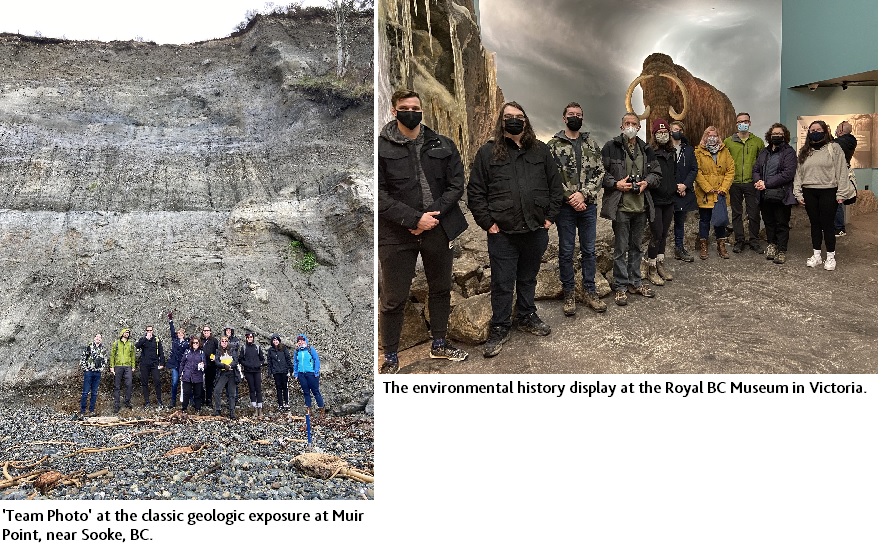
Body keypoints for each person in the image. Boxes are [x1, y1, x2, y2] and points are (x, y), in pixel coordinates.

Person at [378, 89, 469, 374]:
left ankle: (439, 343)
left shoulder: (442, 144)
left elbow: (457, 184)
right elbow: (378, 195)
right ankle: (390, 356)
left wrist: (433, 216)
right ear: (394, 111)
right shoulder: (379, 148)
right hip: (396, 233)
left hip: (438, 228)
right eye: (405, 107)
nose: (412, 112)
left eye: (415, 107)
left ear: (422, 110)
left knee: (440, 288)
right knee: (394, 298)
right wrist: (414, 219)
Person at [467, 101, 561, 357]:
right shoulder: (488, 153)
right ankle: (500, 326)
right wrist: (488, 223)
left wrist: (549, 219)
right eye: (508, 117)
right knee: (502, 281)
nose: (514, 121)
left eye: (518, 117)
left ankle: (527, 316)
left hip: (535, 229)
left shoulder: (540, 151)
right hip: (503, 233)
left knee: (528, 278)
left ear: (526, 120)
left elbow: (556, 187)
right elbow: (475, 192)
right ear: (501, 121)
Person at [547, 101, 607, 316]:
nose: (575, 117)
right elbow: (550, 176)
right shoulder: (553, 146)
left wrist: (584, 194)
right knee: (566, 250)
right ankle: (569, 292)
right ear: (564, 118)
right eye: (571, 114)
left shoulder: (591, 144)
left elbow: (599, 172)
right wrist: (571, 197)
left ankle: (590, 290)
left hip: (588, 207)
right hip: (565, 209)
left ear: (582, 118)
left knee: (589, 250)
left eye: (578, 114)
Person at [600, 112, 661, 306]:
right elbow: (601, 173)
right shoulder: (611, 147)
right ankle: (620, 286)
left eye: (634, 124)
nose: (630, 126)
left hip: (641, 207)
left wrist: (646, 182)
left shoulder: (646, 149)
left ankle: (635, 282)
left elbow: (656, 173)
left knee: (636, 247)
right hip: (621, 206)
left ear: (639, 127)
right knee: (620, 248)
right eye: (627, 123)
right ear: (621, 127)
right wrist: (616, 184)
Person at [793, 120, 851, 270]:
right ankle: (817, 255)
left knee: (828, 224)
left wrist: (842, 192)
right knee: (815, 224)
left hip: (828, 190)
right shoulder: (804, 151)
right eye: (812, 130)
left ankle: (830, 256)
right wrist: (797, 192)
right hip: (809, 191)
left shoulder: (834, 148)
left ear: (825, 131)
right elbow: (799, 173)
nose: (815, 132)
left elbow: (842, 171)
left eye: (818, 129)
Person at [753, 123, 797, 264]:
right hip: (765, 195)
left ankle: (782, 250)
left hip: (781, 195)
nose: (776, 136)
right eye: (774, 133)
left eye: (779, 133)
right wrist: (758, 181)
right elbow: (756, 169)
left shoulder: (789, 152)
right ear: (769, 136)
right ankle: (772, 244)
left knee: (782, 223)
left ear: (784, 136)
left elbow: (787, 174)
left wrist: (767, 183)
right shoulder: (764, 152)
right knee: (769, 222)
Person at [723, 112, 766, 254]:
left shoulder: (757, 141)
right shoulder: (728, 142)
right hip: (734, 183)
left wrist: (760, 179)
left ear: (750, 123)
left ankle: (754, 240)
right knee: (736, 213)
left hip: (751, 183)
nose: (743, 123)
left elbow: (762, 163)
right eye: (740, 121)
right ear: (736, 124)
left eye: (746, 121)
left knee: (754, 213)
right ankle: (739, 240)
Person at [694, 126, 735, 260]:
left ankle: (721, 245)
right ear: (705, 137)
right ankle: (704, 245)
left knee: (720, 220)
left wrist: (723, 188)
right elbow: (697, 171)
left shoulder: (725, 151)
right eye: (709, 135)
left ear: (718, 137)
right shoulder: (698, 152)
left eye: (715, 135)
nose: (712, 138)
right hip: (705, 194)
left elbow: (730, 170)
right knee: (704, 220)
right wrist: (707, 187)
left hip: (720, 194)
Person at [645, 118, 677, 285]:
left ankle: (660, 264)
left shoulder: (672, 153)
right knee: (656, 233)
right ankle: (651, 267)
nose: (663, 135)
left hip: (669, 199)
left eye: (665, 132)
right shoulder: (649, 152)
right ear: (654, 135)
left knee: (664, 233)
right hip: (655, 200)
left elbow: (674, 173)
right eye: (659, 132)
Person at [670, 121, 698, 262]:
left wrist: (685, 185)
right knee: (662, 224)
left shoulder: (688, 149)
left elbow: (694, 169)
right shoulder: (665, 149)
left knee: (680, 222)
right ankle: (657, 253)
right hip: (668, 192)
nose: (678, 131)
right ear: (670, 131)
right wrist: (675, 186)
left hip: (684, 191)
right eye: (675, 129)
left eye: (680, 129)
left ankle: (679, 248)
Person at [833, 121, 857, 237]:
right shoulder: (849, 142)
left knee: (837, 200)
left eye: (837, 128)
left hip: (839, 174)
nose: (836, 130)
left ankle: (839, 228)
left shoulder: (841, 142)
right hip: (840, 173)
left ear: (841, 130)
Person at [293, 334, 324, 423]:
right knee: (306, 392)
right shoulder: (297, 351)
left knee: (315, 392)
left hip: (311, 374)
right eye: (299, 341)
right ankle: (309, 410)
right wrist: (296, 373)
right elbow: (295, 362)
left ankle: (321, 410)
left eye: (302, 340)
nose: (300, 342)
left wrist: (316, 371)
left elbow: (316, 360)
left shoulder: (310, 349)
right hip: (301, 374)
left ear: (305, 341)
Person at [134, 325, 165, 409]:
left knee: (157, 381)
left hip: (154, 364)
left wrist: (162, 363)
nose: (149, 332)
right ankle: (147, 402)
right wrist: (145, 339)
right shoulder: (143, 339)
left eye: (150, 330)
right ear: (146, 331)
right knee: (144, 382)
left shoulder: (157, 339)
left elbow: (161, 352)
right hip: (144, 364)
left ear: (153, 330)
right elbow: (137, 346)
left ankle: (159, 400)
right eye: (148, 330)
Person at [78, 333, 108, 417]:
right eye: (97, 337)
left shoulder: (103, 349)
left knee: (94, 393)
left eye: (100, 337)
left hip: (97, 373)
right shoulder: (89, 347)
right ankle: (82, 411)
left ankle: (91, 411)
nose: (98, 338)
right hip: (89, 372)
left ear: (101, 339)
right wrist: (85, 369)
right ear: (94, 338)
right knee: (85, 392)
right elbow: (83, 358)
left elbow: (105, 360)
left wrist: (101, 368)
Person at [238, 332, 266, 417]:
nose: (250, 338)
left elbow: (262, 359)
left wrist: (259, 364)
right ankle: (254, 408)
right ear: (246, 338)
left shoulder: (257, 347)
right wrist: (246, 364)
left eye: (251, 337)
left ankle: (260, 408)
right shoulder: (244, 348)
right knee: (251, 389)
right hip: (248, 371)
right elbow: (240, 359)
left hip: (257, 371)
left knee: (258, 389)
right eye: (248, 337)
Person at [109, 327, 136, 413]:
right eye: (125, 332)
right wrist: (111, 367)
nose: (127, 334)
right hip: (118, 366)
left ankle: (127, 402)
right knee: (117, 386)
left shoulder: (131, 344)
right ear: (122, 333)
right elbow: (112, 355)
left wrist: (133, 366)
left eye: (128, 333)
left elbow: (133, 356)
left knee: (129, 384)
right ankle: (116, 405)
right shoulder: (116, 343)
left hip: (128, 366)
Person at [213, 335, 239, 420]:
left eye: (225, 341)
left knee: (232, 393)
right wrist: (224, 365)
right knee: (217, 390)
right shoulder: (218, 351)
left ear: (228, 342)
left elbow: (236, 360)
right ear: (220, 342)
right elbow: (216, 362)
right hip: (223, 373)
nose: (224, 342)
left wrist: (229, 365)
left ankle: (232, 411)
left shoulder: (232, 350)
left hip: (232, 373)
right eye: (222, 341)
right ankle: (218, 410)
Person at [166, 312, 189, 408]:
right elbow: (172, 331)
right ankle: (173, 401)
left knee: (186, 383)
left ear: (183, 334)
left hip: (183, 365)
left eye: (181, 333)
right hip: (175, 365)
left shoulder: (187, 343)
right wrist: (170, 321)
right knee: (174, 382)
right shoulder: (175, 340)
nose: (179, 334)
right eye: (178, 333)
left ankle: (189, 400)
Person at [179, 337, 205, 413]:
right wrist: (181, 373)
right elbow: (182, 363)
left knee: (198, 394)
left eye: (197, 343)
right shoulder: (187, 352)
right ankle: (184, 409)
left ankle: (198, 409)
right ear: (191, 343)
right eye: (194, 343)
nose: (195, 344)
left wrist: (203, 365)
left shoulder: (201, 353)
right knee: (186, 393)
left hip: (198, 376)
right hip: (187, 375)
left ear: (199, 344)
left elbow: (205, 364)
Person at [267, 334, 292, 412]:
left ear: (279, 341)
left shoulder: (284, 348)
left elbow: (288, 359)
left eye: (276, 340)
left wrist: (291, 369)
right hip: (276, 372)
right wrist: (270, 372)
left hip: (284, 371)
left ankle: (286, 403)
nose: (275, 341)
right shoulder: (270, 350)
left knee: (285, 387)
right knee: (278, 387)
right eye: (274, 340)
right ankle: (280, 404)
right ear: (272, 342)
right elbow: (269, 362)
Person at [199, 325, 219, 407]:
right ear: (203, 332)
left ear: (210, 331)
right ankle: (202, 400)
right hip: (202, 365)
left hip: (211, 365)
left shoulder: (214, 340)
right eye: (204, 330)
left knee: (209, 384)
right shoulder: (200, 341)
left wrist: (215, 357)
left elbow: (218, 351)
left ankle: (209, 400)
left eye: (207, 330)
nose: (206, 332)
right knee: (201, 383)